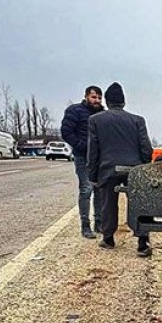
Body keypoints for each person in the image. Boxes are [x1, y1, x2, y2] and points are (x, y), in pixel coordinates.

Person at [87, 82, 154, 253]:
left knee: (108, 202)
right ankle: (142, 241)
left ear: (107, 102)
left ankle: (108, 238)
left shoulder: (96, 120)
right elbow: (146, 148)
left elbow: (93, 150)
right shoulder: (137, 120)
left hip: (108, 168)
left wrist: (93, 175)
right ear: (123, 102)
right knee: (139, 202)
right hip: (134, 168)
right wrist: (144, 168)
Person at [60, 85, 104, 238]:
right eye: (94, 97)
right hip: (82, 156)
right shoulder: (75, 111)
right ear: (86, 96)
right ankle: (85, 225)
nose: (96, 100)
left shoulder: (102, 114)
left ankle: (99, 223)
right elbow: (66, 131)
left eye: (99, 97)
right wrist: (81, 146)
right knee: (86, 189)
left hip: (99, 159)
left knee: (99, 190)